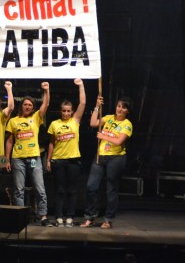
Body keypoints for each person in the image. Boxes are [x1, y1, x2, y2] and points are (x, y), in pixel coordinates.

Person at [81, 95, 133, 229]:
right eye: (119, 106)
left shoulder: (127, 124)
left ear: (127, 111)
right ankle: (90, 217)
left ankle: (108, 219)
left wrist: (103, 136)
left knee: (111, 190)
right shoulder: (108, 118)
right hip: (100, 156)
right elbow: (93, 123)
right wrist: (97, 106)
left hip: (116, 158)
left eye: (123, 107)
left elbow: (119, 141)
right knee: (91, 186)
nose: (120, 109)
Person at [5, 82, 51, 226]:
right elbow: (9, 141)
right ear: (22, 106)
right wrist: (6, 160)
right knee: (19, 189)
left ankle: (42, 216)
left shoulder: (37, 117)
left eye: (30, 105)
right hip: (18, 158)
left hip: (34, 157)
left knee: (40, 188)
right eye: (25, 104)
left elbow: (46, 105)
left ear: (33, 108)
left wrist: (47, 90)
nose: (27, 107)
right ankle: (21, 216)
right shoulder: (13, 121)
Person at [46, 78, 86, 227]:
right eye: (64, 111)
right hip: (58, 161)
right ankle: (58, 217)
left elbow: (82, 103)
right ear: (60, 111)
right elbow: (51, 143)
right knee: (60, 190)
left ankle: (70, 216)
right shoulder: (55, 124)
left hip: (73, 161)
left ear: (72, 111)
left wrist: (81, 85)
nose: (66, 113)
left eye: (69, 111)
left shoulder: (75, 121)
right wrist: (48, 160)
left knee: (72, 190)